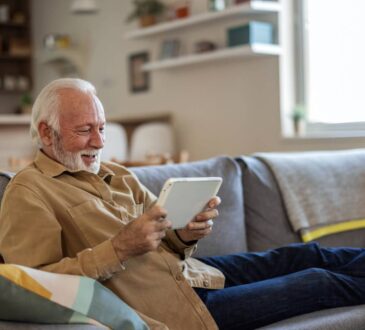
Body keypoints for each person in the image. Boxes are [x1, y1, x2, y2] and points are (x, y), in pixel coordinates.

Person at [1, 78, 365, 330]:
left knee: (305, 255)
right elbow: (37, 286)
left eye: (102, 127)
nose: (98, 141)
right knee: (317, 282)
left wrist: (184, 233)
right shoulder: (28, 191)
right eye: (84, 130)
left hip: (191, 275)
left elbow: (165, 239)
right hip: (168, 308)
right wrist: (118, 248)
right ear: (46, 132)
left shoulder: (117, 173)